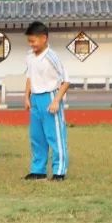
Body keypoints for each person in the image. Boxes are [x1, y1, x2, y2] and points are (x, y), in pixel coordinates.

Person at [23, 21, 70, 180]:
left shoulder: (52, 57)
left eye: (33, 41)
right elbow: (29, 77)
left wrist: (56, 100)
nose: (31, 44)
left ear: (44, 38)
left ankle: (59, 171)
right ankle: (38, 170)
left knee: (55, 136)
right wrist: (27, 97)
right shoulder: (29, 56)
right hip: (35, 99)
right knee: (37, 137)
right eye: (29, 41)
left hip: (50, 97)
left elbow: (66, 81)